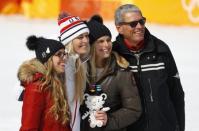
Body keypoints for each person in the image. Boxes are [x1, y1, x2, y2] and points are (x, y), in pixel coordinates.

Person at [112, 4, 185, 131]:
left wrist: (180, 127)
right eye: (133, 24)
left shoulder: (161, 49)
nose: (139, 27)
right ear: (119, 28)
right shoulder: (114, 55)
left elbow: (176, 93)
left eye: (142, 21)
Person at [80, 16, 142, 131]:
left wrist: (109, 120)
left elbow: (134, 110)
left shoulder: (121, 71)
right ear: (91, 45)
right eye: (101, 41)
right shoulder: (79, 69)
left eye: (108, 40)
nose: (106, 45)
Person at [18, 35, 71, 131]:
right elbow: (28, 128)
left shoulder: (56, 83)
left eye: (64, 54)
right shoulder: (36, 87)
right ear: (47, 59)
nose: (64, 58)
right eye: (59, 54)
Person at [57, 12, 90, 131]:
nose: (85, 40)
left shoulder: (79, 62)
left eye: (87, 36)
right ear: (69, 40)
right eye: (80, 37)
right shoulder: (59, 64)